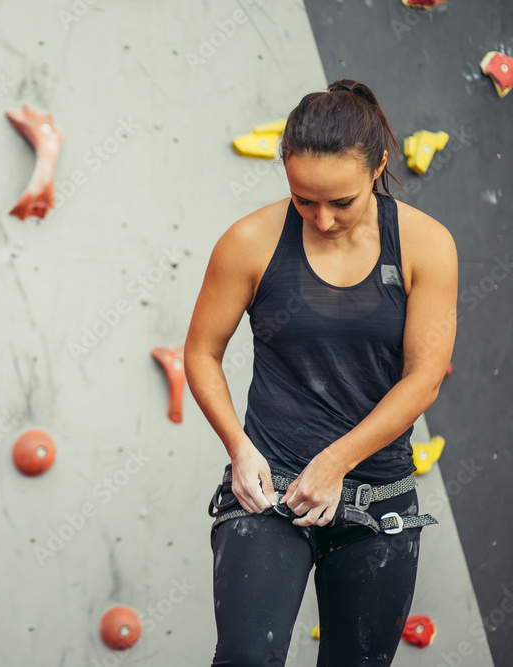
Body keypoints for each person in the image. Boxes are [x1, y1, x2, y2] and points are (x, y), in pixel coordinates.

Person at [185, 79, 457, 666]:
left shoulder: (426, 246)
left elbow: (423, 378)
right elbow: (202, 353)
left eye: (342, 201)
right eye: (304, 199)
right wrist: (238, 446)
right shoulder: (249, 242)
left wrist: (336, 462)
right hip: (269, 490)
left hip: (378, 498)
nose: (323, 218)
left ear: (379, 166)